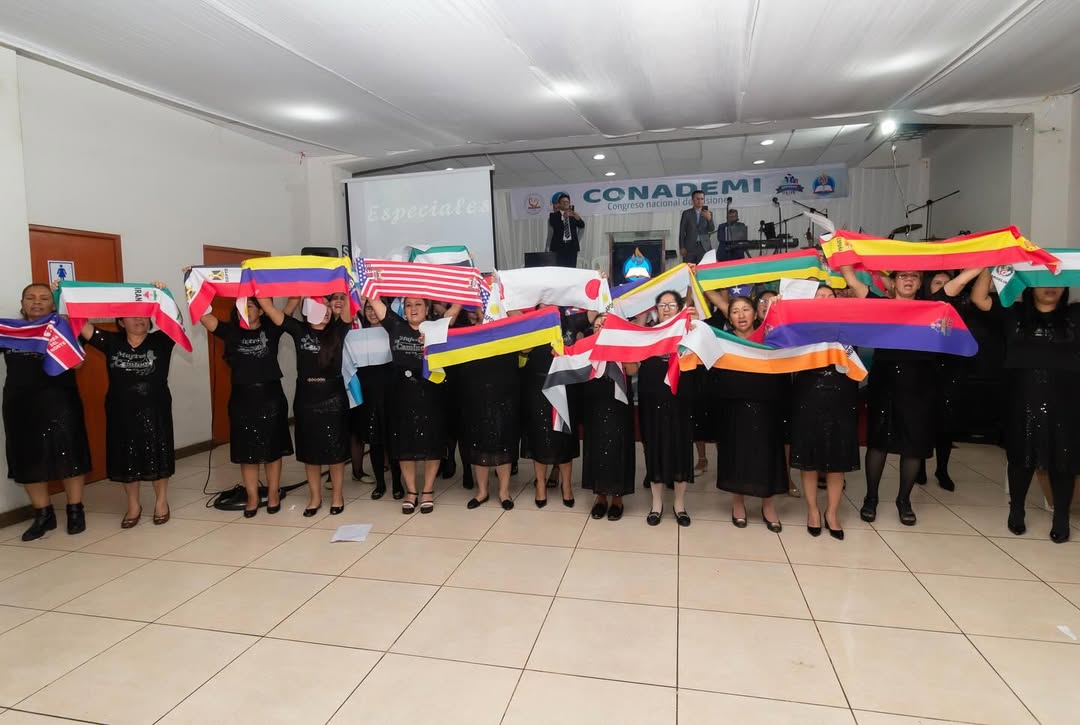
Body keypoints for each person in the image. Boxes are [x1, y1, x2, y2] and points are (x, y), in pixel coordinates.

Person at [841, 265, 981, 526]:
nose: (908, 280)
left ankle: (903, 501)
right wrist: (842, 253)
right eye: (903, 275)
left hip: (920, 385)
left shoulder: (931, 306)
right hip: (884, 383)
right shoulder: (880, 306)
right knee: (878, 442)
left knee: (914, 445)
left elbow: (961, 280)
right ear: (893, 282)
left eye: (914, 276)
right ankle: (871, 498)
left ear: (919, 283)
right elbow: (852, 280)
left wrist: (985, 257)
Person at [971, 271, 1079, 542]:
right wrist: (989, 264)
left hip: (1066, 403)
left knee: (1063, 460)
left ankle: (1061, 516)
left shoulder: (1075, 315)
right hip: (1021, 400)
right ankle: (1016, 509)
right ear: (1030, 285)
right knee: (1021, 458)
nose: (1051, 287)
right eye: (1043, 281)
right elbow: (979, 298)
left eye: (1057, 281)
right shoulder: (1014, 313)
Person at [79, 284, 177, 528]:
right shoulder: (111, 341)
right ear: (121, 321)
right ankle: (133, 505)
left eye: (142, 314)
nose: (138, 319)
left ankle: (161, 502)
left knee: (158, 454)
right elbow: (80, 324)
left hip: (156, 409)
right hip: (121, 410)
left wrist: (163, 295)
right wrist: (63, 295)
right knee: (127, 457)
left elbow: (176, 320)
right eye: (131, 315)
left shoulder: (161, 340)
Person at [2, 283, 92, 541]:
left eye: (43, 298)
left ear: (52, 304)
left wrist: (66, 325)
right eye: (30, 297)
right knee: (27, 459)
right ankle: (43, 515)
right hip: (20, 405)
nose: (37, 302)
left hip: (60, 402)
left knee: (69, 455)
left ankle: (75, 511)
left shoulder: (64, 327)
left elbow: (78, 363)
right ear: (22, 303)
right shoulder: (10, 330)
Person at [196, 297, 294, 517]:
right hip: (242, 400)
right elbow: (204, 317)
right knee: (246, 451)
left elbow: (290, 306)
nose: (245, 309)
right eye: (242, 306)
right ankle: (252, 496)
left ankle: (273, 493)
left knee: (273, 450)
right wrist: (192, 286)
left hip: (271, 398)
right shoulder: (231, 331)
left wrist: (298, 288)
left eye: (250, 305)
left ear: (261, 310)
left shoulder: (272, 328)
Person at [258, 293, 352, 518]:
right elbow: (269, 309)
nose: (326, 309)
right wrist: (257, 284)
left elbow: (349, 302)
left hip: (334, 399)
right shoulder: (299, 330)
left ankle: (337, 496)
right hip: (306, 400)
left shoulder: (338, 330)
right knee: (310, 452)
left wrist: (345, 279)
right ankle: (315, 498)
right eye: (321, 305)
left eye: (328, 305)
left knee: (336, 452)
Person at [366, 295, 458, 514]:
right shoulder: (395, 325)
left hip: (431, 393)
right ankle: (411, 492)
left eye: (418, 304)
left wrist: (469, 288)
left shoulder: (436, 327)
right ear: (404, 309)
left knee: (432, 443)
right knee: (404, 445)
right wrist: (366, 284)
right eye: (408, 305)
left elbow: (454, 310)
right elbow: (376, 302)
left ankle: (427, 491)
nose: (413, 309)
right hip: (401, 395)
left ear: (427, 308)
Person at [705, 291, 788, 531]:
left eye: (745, 310)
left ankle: (768, 505)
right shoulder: (723, 341)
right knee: (737, 455)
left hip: (766, 407)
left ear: (755, 313)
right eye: (735, 311)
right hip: (734, 408)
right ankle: (738, 503)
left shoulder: (770, 337)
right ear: (729, 318)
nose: (741, 315)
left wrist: (778, 307)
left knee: (767, 456)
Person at [790, 285, 859, 539]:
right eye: (821, 296)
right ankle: (813, 511)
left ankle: (832, 512)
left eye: (831, 296)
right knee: (808, 459)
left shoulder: (848, 327)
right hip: (808, 394)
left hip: (841, 396)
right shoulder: (802, 327)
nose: (826, 299)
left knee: (837, 460)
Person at [638, 291, 695, 526]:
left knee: (681, 450)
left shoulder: (690, 333)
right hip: (652, 402)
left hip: (681, 401)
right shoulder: (647, 334)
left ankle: (679, 504)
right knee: (655, 450)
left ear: (680, 309)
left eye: (671, 305)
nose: (667, 309)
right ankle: (657, 504)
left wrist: (695, 325)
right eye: (662, 305)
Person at [458, 309, 521, 510]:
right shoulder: (466, 332)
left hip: (504, 395)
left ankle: (504, 492)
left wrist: (506, 307)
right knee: (479, 445)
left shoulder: (508, 330)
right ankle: (482, 492)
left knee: (504, 445)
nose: (481, 310)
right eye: (478, 307)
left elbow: (523, 327)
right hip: (476, 395)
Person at [582, 314, 637, 521]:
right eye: (597, 326)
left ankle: (617, 498)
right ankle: (600, 496)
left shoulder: (623, 345)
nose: (601, 329)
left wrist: (619, 348)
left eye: (605, 325)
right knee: (596, 448)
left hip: (618, 405)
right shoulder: (587, 348)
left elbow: (632, 369)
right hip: (594, 403)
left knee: (618, 448)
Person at [521, 329, 578, 509]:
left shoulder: (570, 322)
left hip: (564, 385)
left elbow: (580, 348)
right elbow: (522, 352)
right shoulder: (533, 323)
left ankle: (566, 486)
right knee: (539, 435)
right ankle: (540, 485)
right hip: (537, 385)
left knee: (563, 437)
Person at [353, 300, 404, 500]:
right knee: (374, 441)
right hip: (368, 394)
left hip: (390, 393)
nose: (372, 312)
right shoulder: (356, 335)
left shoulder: (394, 331)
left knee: (393, 441)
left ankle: (397, 483)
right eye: (368, 308)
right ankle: (380, 484)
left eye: (375, 308)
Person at [548, 193, 585, 268]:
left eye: (567, 202)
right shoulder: (553, 216)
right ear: (559, 204)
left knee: (571, 269)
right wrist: (563, 217)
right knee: (559, 269)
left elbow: (582, 226)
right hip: (558, 248)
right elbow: (554, 225)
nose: (565, 203)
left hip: (572, 247)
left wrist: (578, 218)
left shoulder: (573, 215)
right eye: (563, 202)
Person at [679, 190, 715, 264]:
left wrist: (709, 219)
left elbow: (711, 229)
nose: (700, 201)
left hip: (704, 247)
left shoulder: (708, 213)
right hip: (689, 247)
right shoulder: (686, 213)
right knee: (689, 268)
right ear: (692, 200)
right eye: (697, 199)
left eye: (702, 199)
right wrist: (682, 247)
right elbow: (682, 231)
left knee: (703, 268)